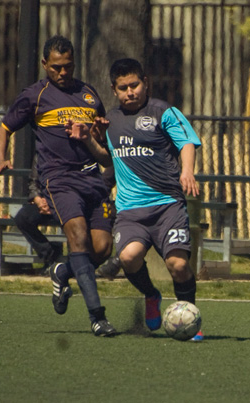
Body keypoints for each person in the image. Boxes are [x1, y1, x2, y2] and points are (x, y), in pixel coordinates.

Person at [0, 35, 118, 337]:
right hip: (59, 179)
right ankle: (98, 317)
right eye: (57, 67)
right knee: (79, 239)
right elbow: (4, 129)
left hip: (92, 180)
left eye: (68, 66)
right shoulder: (35, 95)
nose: (63, 73)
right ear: (45, 64)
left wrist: (98, 133)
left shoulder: (88, 94)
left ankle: (62, 270)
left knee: (101, 248)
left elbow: (100, 143)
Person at [68, 58, 203, 341]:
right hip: (131, 210)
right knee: (129, 257)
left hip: (168, 205)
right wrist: (88, 140)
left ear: (145, 83)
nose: (130, 92)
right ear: (114, 90)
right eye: (123, 87)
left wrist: (187, 171)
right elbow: (108, 160)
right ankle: (151, 295)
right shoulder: (111, 121)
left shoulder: (163, 112)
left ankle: (191, 318)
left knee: (178, 266)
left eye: (135, 85)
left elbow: (187, 142)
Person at [13, 156, 63, 272]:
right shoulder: (41, 154)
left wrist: (55, 203)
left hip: (65, 202)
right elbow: (33, 182)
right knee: (22, 217)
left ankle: (76, 262)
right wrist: (38, 200)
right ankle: (49, 253)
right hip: (43, 201)